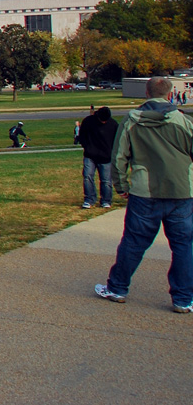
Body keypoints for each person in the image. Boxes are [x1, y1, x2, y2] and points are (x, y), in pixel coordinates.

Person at [95, 77, 193, 313]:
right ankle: (183, 299)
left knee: (133, 242)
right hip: (181, 192)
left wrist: (121, 185)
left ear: (146, 93)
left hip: (143, 191)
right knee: (183, 246)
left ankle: (118, 288)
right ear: (170, 94)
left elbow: (119, 157)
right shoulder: (183, 121)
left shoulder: (131, 120)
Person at [78, 107, 117, 208]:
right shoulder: (88, 121)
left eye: (106, 120)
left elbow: (117, 141)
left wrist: (111, 152)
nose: (104, 122)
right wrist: (87, 147)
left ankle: (106, 200)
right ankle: (89, 199)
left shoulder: (113, 124)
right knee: (87, 177)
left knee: (106, 181)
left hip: (106, 157)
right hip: (90, 155)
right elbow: (82, 136)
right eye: (102, 120)